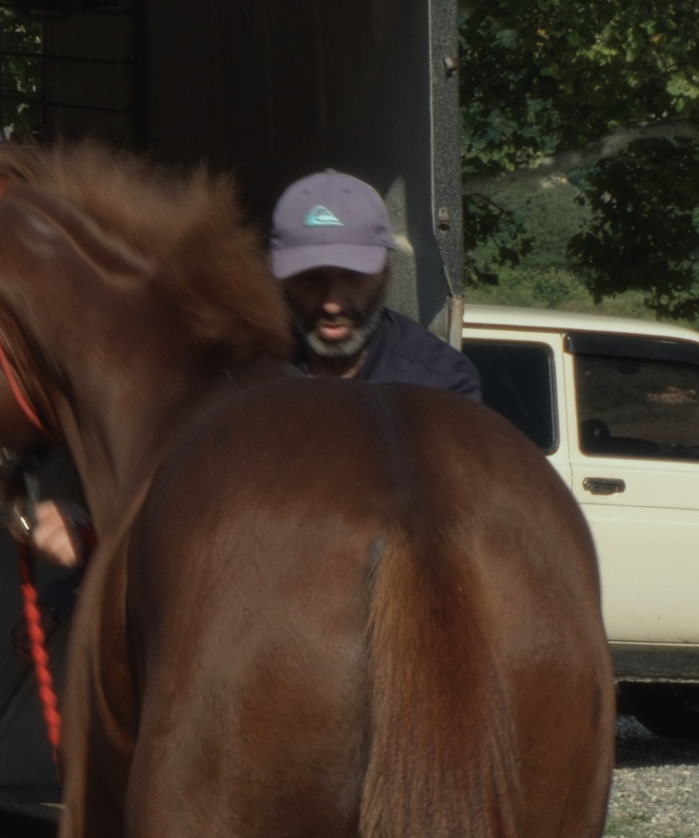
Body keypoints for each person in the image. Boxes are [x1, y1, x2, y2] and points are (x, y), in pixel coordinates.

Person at [24, 168, 478, 567]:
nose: (334, 302)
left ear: (385, 272)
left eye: (352, 276)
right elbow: (175, 501)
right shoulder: (233, 371)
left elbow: (457, 542)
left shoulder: (440, 386)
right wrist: (92, 535)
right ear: (277, 275)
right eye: (312, 279)